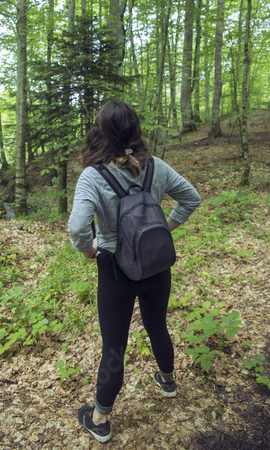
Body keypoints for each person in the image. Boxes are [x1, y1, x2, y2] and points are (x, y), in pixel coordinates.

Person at [68, 99, 201, 443]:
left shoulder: (92, 177)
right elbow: (191, 198)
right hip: (156, 265)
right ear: (136, 131)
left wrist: (90, 249)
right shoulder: (156, 167)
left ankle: (100, 420)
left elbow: (78, 229)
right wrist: (165, 229)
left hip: (115, 271)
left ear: (101, 133)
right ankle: (168, 381)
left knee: (114, 345)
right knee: (158, 325)